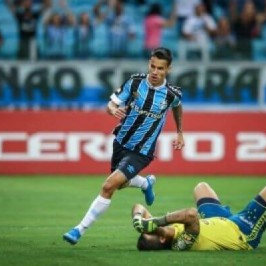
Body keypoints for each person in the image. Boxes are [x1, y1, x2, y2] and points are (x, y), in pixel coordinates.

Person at [63, 47, 185, 245]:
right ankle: (145, 183)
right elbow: (112, 103)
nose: (155, 72)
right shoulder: (135, 82)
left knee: (108, 185)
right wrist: (112, 110)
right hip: (120, 142)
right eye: (152, 66)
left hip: (142, 151)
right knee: (119, 185)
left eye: (160, 69)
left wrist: (180, 132)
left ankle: (79, 230)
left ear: (168, 70)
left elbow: (177, 106)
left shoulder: (171, 94)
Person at [132, 180, 266, 250]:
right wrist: (157, 221)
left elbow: (138, 206)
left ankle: (225, 214)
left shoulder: (166, 233)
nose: (155, 227)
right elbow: (191, 215)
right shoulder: (182, 243)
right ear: (163, 240)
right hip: (240, 231)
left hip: (216, 221)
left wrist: (138, 220)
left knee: (201, 187)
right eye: (155, 230)